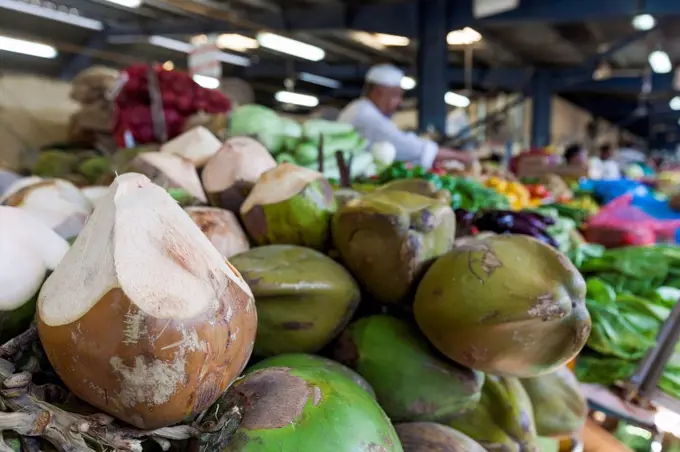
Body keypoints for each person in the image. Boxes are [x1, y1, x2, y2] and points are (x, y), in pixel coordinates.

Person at [338, 64, 470, 169]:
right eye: (395, 95)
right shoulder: (365, 114)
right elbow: (405, 145)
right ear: (377, 92)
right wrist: (460, 156)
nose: (399, 101)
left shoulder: (361, 108)